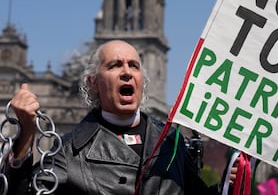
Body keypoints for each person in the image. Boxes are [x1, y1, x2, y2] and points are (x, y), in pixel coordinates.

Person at [6, 40, 237, 194]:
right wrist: (26, 134)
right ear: (93, 83)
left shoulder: (173, 142)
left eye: (133, 66)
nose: (126, 72)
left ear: (141, 81)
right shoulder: (67, 152)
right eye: (115, 65)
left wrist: (228, 184)